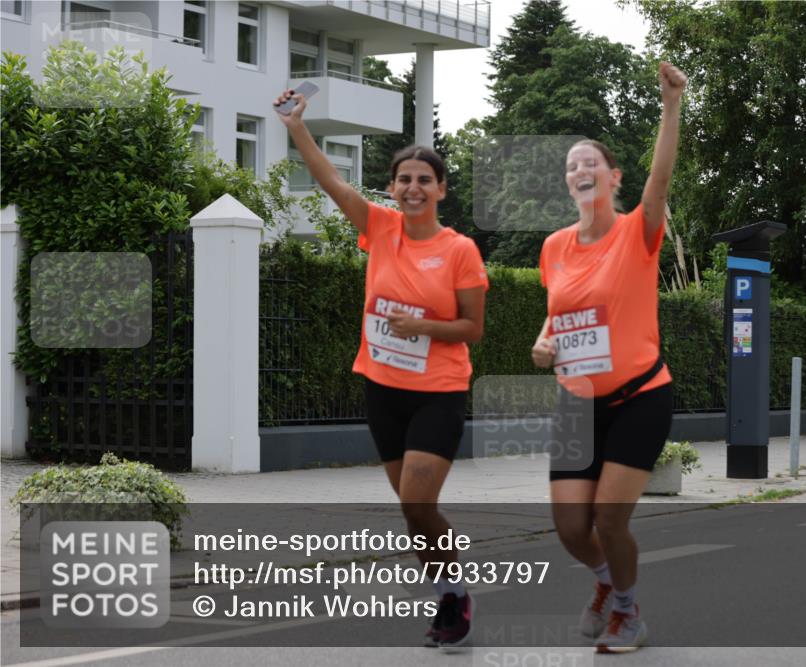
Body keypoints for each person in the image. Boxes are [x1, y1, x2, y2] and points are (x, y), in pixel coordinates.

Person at [274, 89, 488, 651]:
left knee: (418, 503)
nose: (414, 188)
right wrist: (297, 128)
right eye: (404, 180)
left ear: (441, 189)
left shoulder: (460, 249)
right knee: (413, 511)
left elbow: (472, 328)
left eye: (425, 180)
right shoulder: (381, 229)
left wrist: (424, 329)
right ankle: (450, 588)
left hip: (438, 391)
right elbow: (330, 181)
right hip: (383, 387)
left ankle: (455, 592)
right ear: (392, 187)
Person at [530, 62, 687, 654]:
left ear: (613, 177)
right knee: (571, 527)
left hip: (640, 395)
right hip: (578, 402)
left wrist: (670, 105)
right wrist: (544, 346)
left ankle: (628, 611)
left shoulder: (637, 232)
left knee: (609, 521)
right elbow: (560, 315)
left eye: (590, 162)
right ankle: (603, 584)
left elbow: (662, 178)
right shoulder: (554, 248)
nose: (580, 170)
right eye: (572, 166)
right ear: (569, 184)